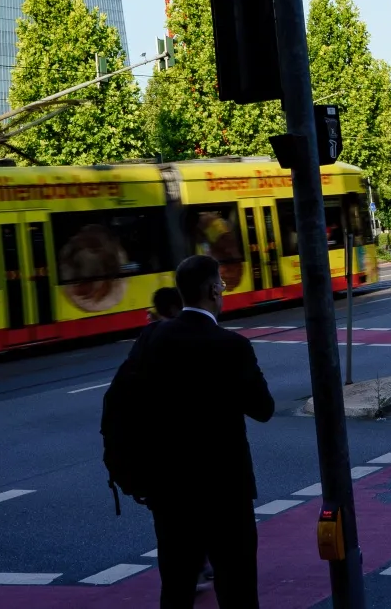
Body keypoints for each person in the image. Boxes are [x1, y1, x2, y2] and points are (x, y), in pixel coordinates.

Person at [134, 254, 275, 609]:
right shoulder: (232, 346)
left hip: (170, 489)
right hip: (225, 490)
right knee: (237, 587)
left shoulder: (154, 339)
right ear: (213, 290)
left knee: (177, 588)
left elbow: (131, 404)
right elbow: (263, 409)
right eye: (222, 286)